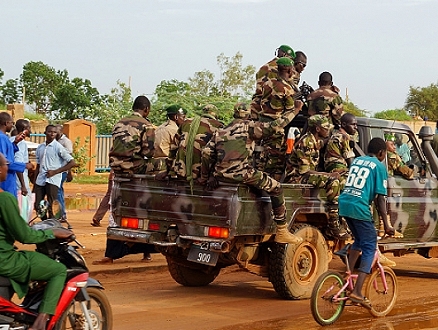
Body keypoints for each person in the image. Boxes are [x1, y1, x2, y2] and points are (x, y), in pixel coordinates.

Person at [200, 102, 303, 245]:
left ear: (234, 114)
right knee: (277, 188)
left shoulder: (221, 131)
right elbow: (276, 125)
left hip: (220, 175)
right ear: (248, 115)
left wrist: (206, 176)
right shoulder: (249, 127)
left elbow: (206, 153)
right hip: (242, 173)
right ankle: (282, 231)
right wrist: (296, 110)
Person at [0, 152, 73, 330]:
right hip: (5, 261)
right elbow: (25, 236)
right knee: (58, 270)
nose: (7, 167)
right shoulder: (4, 199)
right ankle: (41, 322)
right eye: (4, 164)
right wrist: (52, 233)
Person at [339, 137, 396, 309]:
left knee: (359, 240)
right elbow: (380, 200)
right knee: (370, 246)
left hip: (344, 204)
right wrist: (387, 224)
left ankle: (348, 269)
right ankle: (357, 292)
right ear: (381, 153)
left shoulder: (357, 160)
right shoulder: (380, 167)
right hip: (359, 208)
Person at [285, 115, 349, 240]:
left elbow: (321, 145)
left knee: (342, 179)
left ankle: (343, 220)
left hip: (306, 174)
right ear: (318, 129)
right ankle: (333, 225)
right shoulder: (306, 142)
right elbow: (305, 172)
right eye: (326, 128)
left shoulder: (314, 140)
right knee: (334, 181)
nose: (328, 130)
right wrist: (329, 175)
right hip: (297, 177)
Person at [91, 170, 153, 264]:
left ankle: (144, 252)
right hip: (122, 185)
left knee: (141, 222)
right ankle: (111, 255)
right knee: (117, 223)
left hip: (136, 184)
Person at [257, 57, 299, 179]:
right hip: (276, 128)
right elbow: (290, 110)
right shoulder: (286, 89)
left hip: (261, 126)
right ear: (290, 70)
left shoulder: (267, 83)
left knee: (262, 160)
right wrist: (298, 107)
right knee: (277, 164)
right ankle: (273, 190)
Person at [171, 104, 224, 183]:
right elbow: (220, 153)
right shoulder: (218, 126)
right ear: (215, 115)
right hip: (201, 175)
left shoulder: (186, 122)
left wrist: (169, 170)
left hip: (181, 171)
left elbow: (173, 147)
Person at [109, 95, 160, 175]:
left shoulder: (119, 123)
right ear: (146, 109)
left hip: (115, 165)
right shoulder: (146, 125)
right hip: (133, 166)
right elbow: (148, 153)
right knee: (163, 164)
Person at [33, 125, 77, 219]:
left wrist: (55, 172)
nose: (52, 134)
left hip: (53, 179)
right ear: (45, 133)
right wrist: (34, 182)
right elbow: (38, 165)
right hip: (40, 179)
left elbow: (72, 162)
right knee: (38, 205)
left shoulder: (58, 147)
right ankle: (45, 222)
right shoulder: (40, 147)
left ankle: (53, 224)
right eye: (50, 132)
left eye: (54, 132)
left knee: (51, 205)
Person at [250, 44, 295, 120]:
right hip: (273, 110)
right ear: (284, 55)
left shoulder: (263, 68)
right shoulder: (284, 69)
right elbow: (289, 89)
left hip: (256, 107)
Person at [0, 112, 30, 196]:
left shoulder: (5, 137)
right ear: (6, 123)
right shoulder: (1, 138)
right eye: (12, 123)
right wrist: (24, 166)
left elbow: (7, 154)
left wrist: (15, 143)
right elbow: (3, 162)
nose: (13, 126)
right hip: (5, 181)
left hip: (9, 179)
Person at [9, 119, 32, 197]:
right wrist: (23, 185)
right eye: (29, 128)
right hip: (19, 180)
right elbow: (18, 164)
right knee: (24, 206)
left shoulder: (10, 140)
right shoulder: (20, 143)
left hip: (12, 179)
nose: (30, 130)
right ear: (24, 129)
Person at [55, 124, 73, 221]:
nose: (54, 134)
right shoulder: (55, 141)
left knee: (58, 191)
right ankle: (60, 214)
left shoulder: (66, 141)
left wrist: (69, 172)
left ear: (61, 131)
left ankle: (62, 214)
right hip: (56, 171)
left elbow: (70, 158)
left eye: (56, 132)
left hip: (63, 170)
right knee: (58, 192)